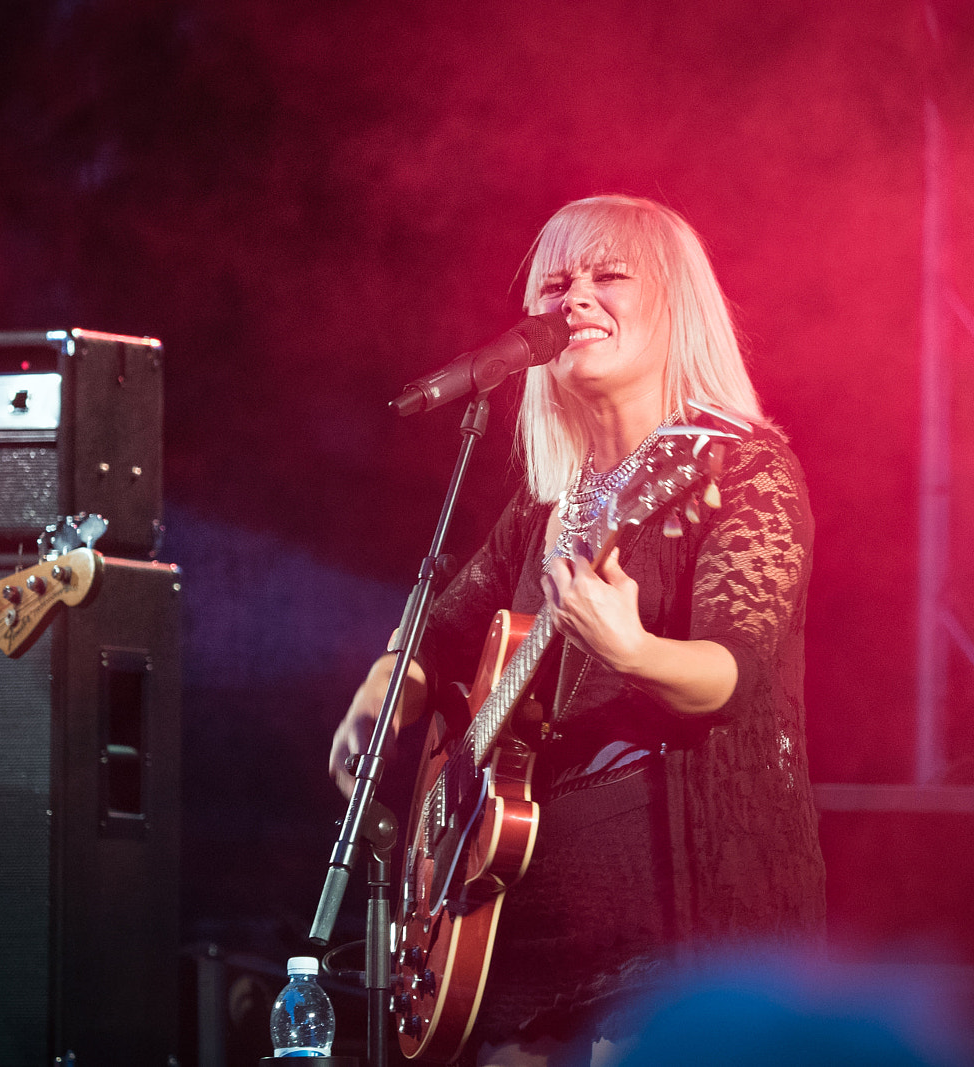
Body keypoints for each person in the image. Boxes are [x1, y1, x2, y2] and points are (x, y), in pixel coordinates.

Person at [329, 195, 825, 1066]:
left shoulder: (738, 466)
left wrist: (631, 651)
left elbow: (733, 672)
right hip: (511, 933)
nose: (576, 299)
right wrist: (383, 691)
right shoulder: (546, 506)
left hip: (668, 928)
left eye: (610, 276)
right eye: (556, 283)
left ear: (679, 307)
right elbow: (436, 634)